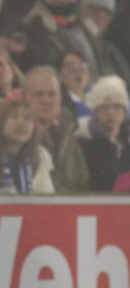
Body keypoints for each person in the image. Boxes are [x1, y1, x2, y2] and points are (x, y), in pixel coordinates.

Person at [76, 75, 130, 192]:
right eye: (104, 107)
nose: (110, 112)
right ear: (95, 112)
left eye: (116, 107)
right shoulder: (83, 144)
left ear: (125, 112)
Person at [24, 65, 89, 193]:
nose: (46, 100)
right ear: (25, 97)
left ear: (60, 98)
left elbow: (82, 182)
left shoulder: (69, 135)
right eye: (38, 94)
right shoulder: (13, 137)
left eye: (52, 94)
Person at [0, 100, 55, 194]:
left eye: (28, 118)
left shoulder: (41, 155)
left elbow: (46, 198)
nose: (21, 122)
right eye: (14, 116)